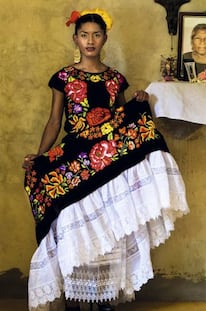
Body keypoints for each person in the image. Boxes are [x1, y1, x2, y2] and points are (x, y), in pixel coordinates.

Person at [22, 9, 189, 311]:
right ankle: (75, 297)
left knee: (109, 229)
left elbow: (122, 124)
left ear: (105, 39)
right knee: (75, 227)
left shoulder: (115, 79)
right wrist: (41, 155)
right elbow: (53, 121)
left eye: (96, 35)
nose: (90, 40)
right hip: (76, 161)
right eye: (84, 35)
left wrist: (139, 103)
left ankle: (104, 300)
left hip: (109, 167)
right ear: (76, 39)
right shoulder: (64, 77)